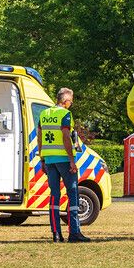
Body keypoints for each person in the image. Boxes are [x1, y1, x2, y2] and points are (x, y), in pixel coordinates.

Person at [37, 88, 89, 243]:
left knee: (54, 196)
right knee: (73, 194)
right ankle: (74, 233)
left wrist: (42, 158)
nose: (71, 104)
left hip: (49, 160)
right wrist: (72, 160)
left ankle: (56, 234)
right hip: (64, 160)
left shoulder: (44, 114)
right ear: (66, 101)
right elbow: (66, 136)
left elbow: (39, 136)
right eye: (71, 102)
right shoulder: (65, 114)